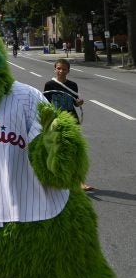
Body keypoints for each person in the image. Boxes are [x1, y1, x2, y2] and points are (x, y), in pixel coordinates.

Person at [43, 58, 93, 191]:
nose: (61, 71)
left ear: (68, 71)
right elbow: (45, 104)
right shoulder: (49, 85)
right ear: (54, 69)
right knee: (57, 150)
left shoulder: (72, 85)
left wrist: (79, 103)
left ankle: (79, 181)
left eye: (64, 69)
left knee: (75, 151)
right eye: (58, 68)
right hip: (56, 122)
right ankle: (56, 178)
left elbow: (74, 102)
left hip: (71, 120)